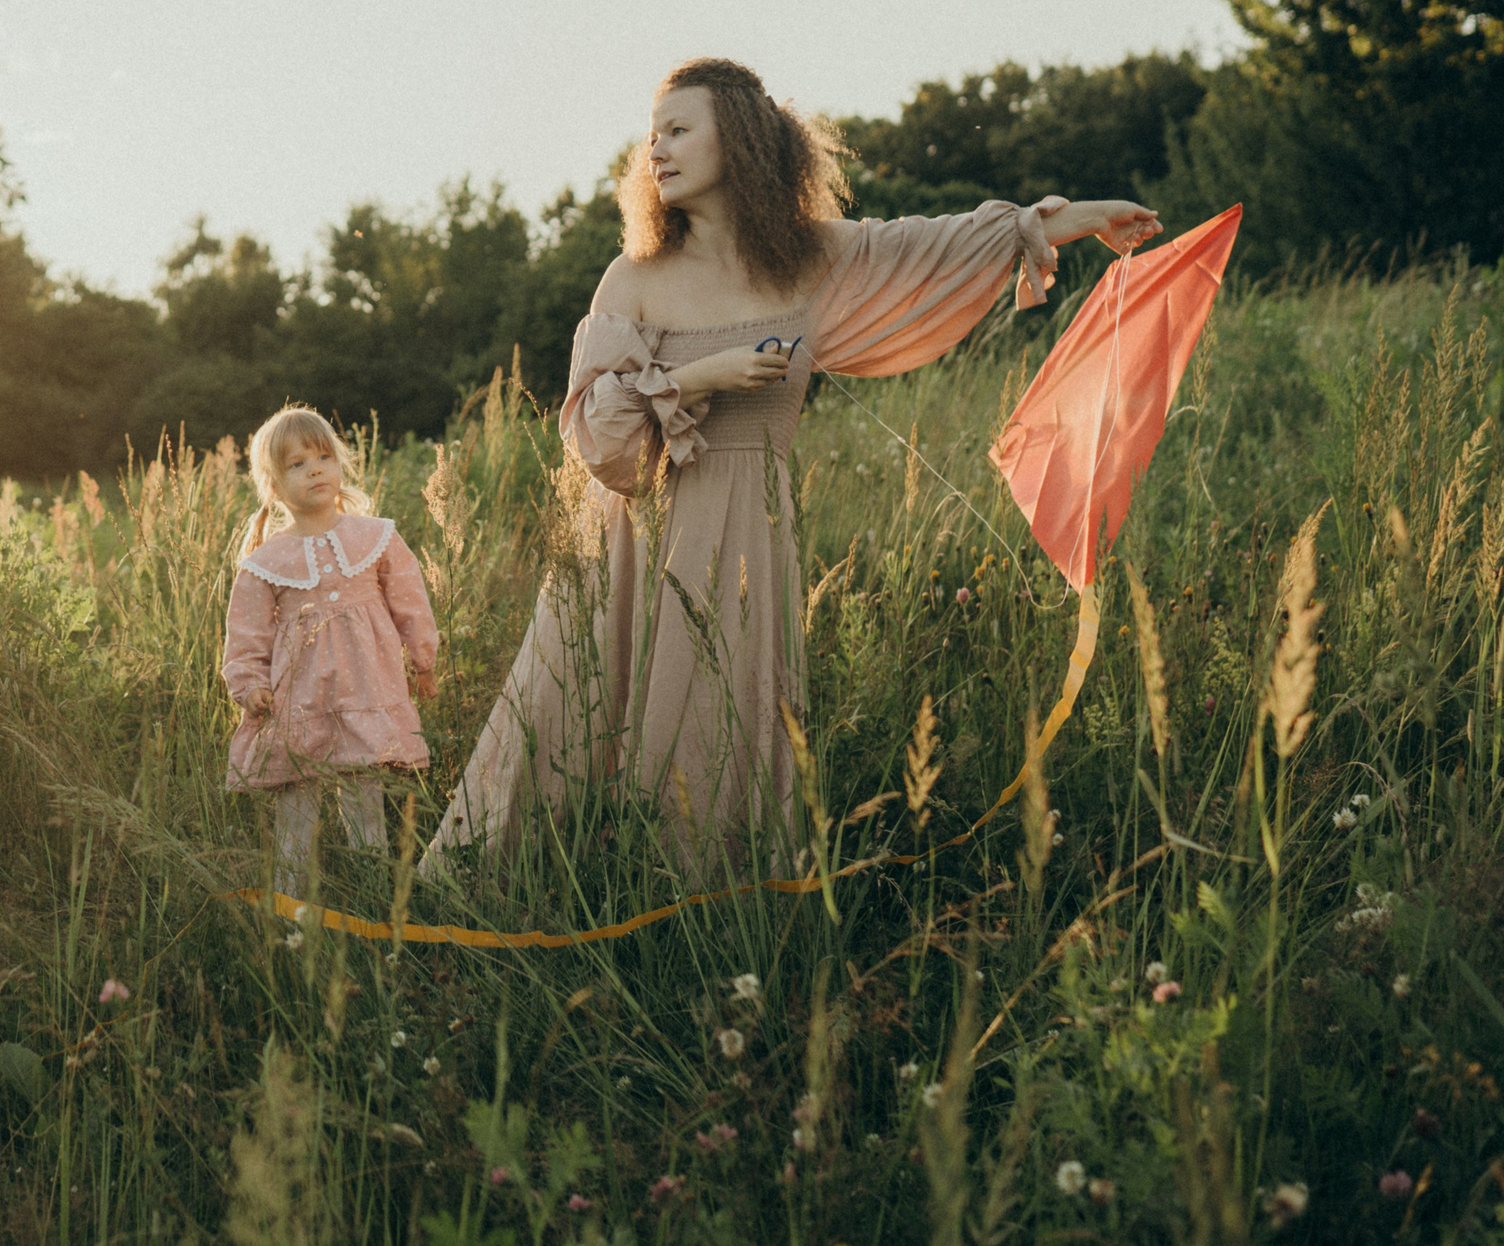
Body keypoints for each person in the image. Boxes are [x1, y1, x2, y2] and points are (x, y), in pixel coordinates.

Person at [428, 57, 1160, 869]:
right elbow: (596, 437)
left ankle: (705, 895)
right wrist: (696, 378)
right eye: (651, 135)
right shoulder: (631, 278)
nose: (654, 150)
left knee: (723, 712)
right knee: (586, 713)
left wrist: (1086, 216)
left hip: (750, 526)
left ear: (739, 139)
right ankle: (552, 884)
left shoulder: (809, 257)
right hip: (639, 535)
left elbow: (935, 243)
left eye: (678, 130)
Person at [223, 405, 441, 896]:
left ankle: (373, 900)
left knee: (365, 806)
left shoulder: (374, 536)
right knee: (296, 812)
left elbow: (410, 601)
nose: (315, 470)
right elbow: (246, 636)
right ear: (273, 486)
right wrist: (250, 686)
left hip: (366, 692)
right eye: (297, 464)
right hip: (298, 704)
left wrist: (423, 662)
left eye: (324, 457)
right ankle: (290, 906)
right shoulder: (264, 562)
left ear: (340, 464)